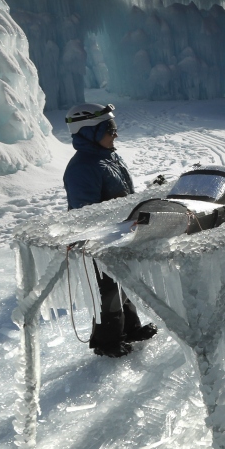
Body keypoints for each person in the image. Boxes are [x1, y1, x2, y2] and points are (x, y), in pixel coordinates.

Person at [62, 103, 157, 358]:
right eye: (109, 128)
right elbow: (86, 213)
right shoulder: (82, 167)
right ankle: (106, 342)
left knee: (122, 283)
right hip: (100, 239)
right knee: (107, 291)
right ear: (89, 132)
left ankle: (130, 329)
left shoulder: (108, 156)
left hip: (119, 233)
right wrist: (103, 234)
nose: (115, 134)